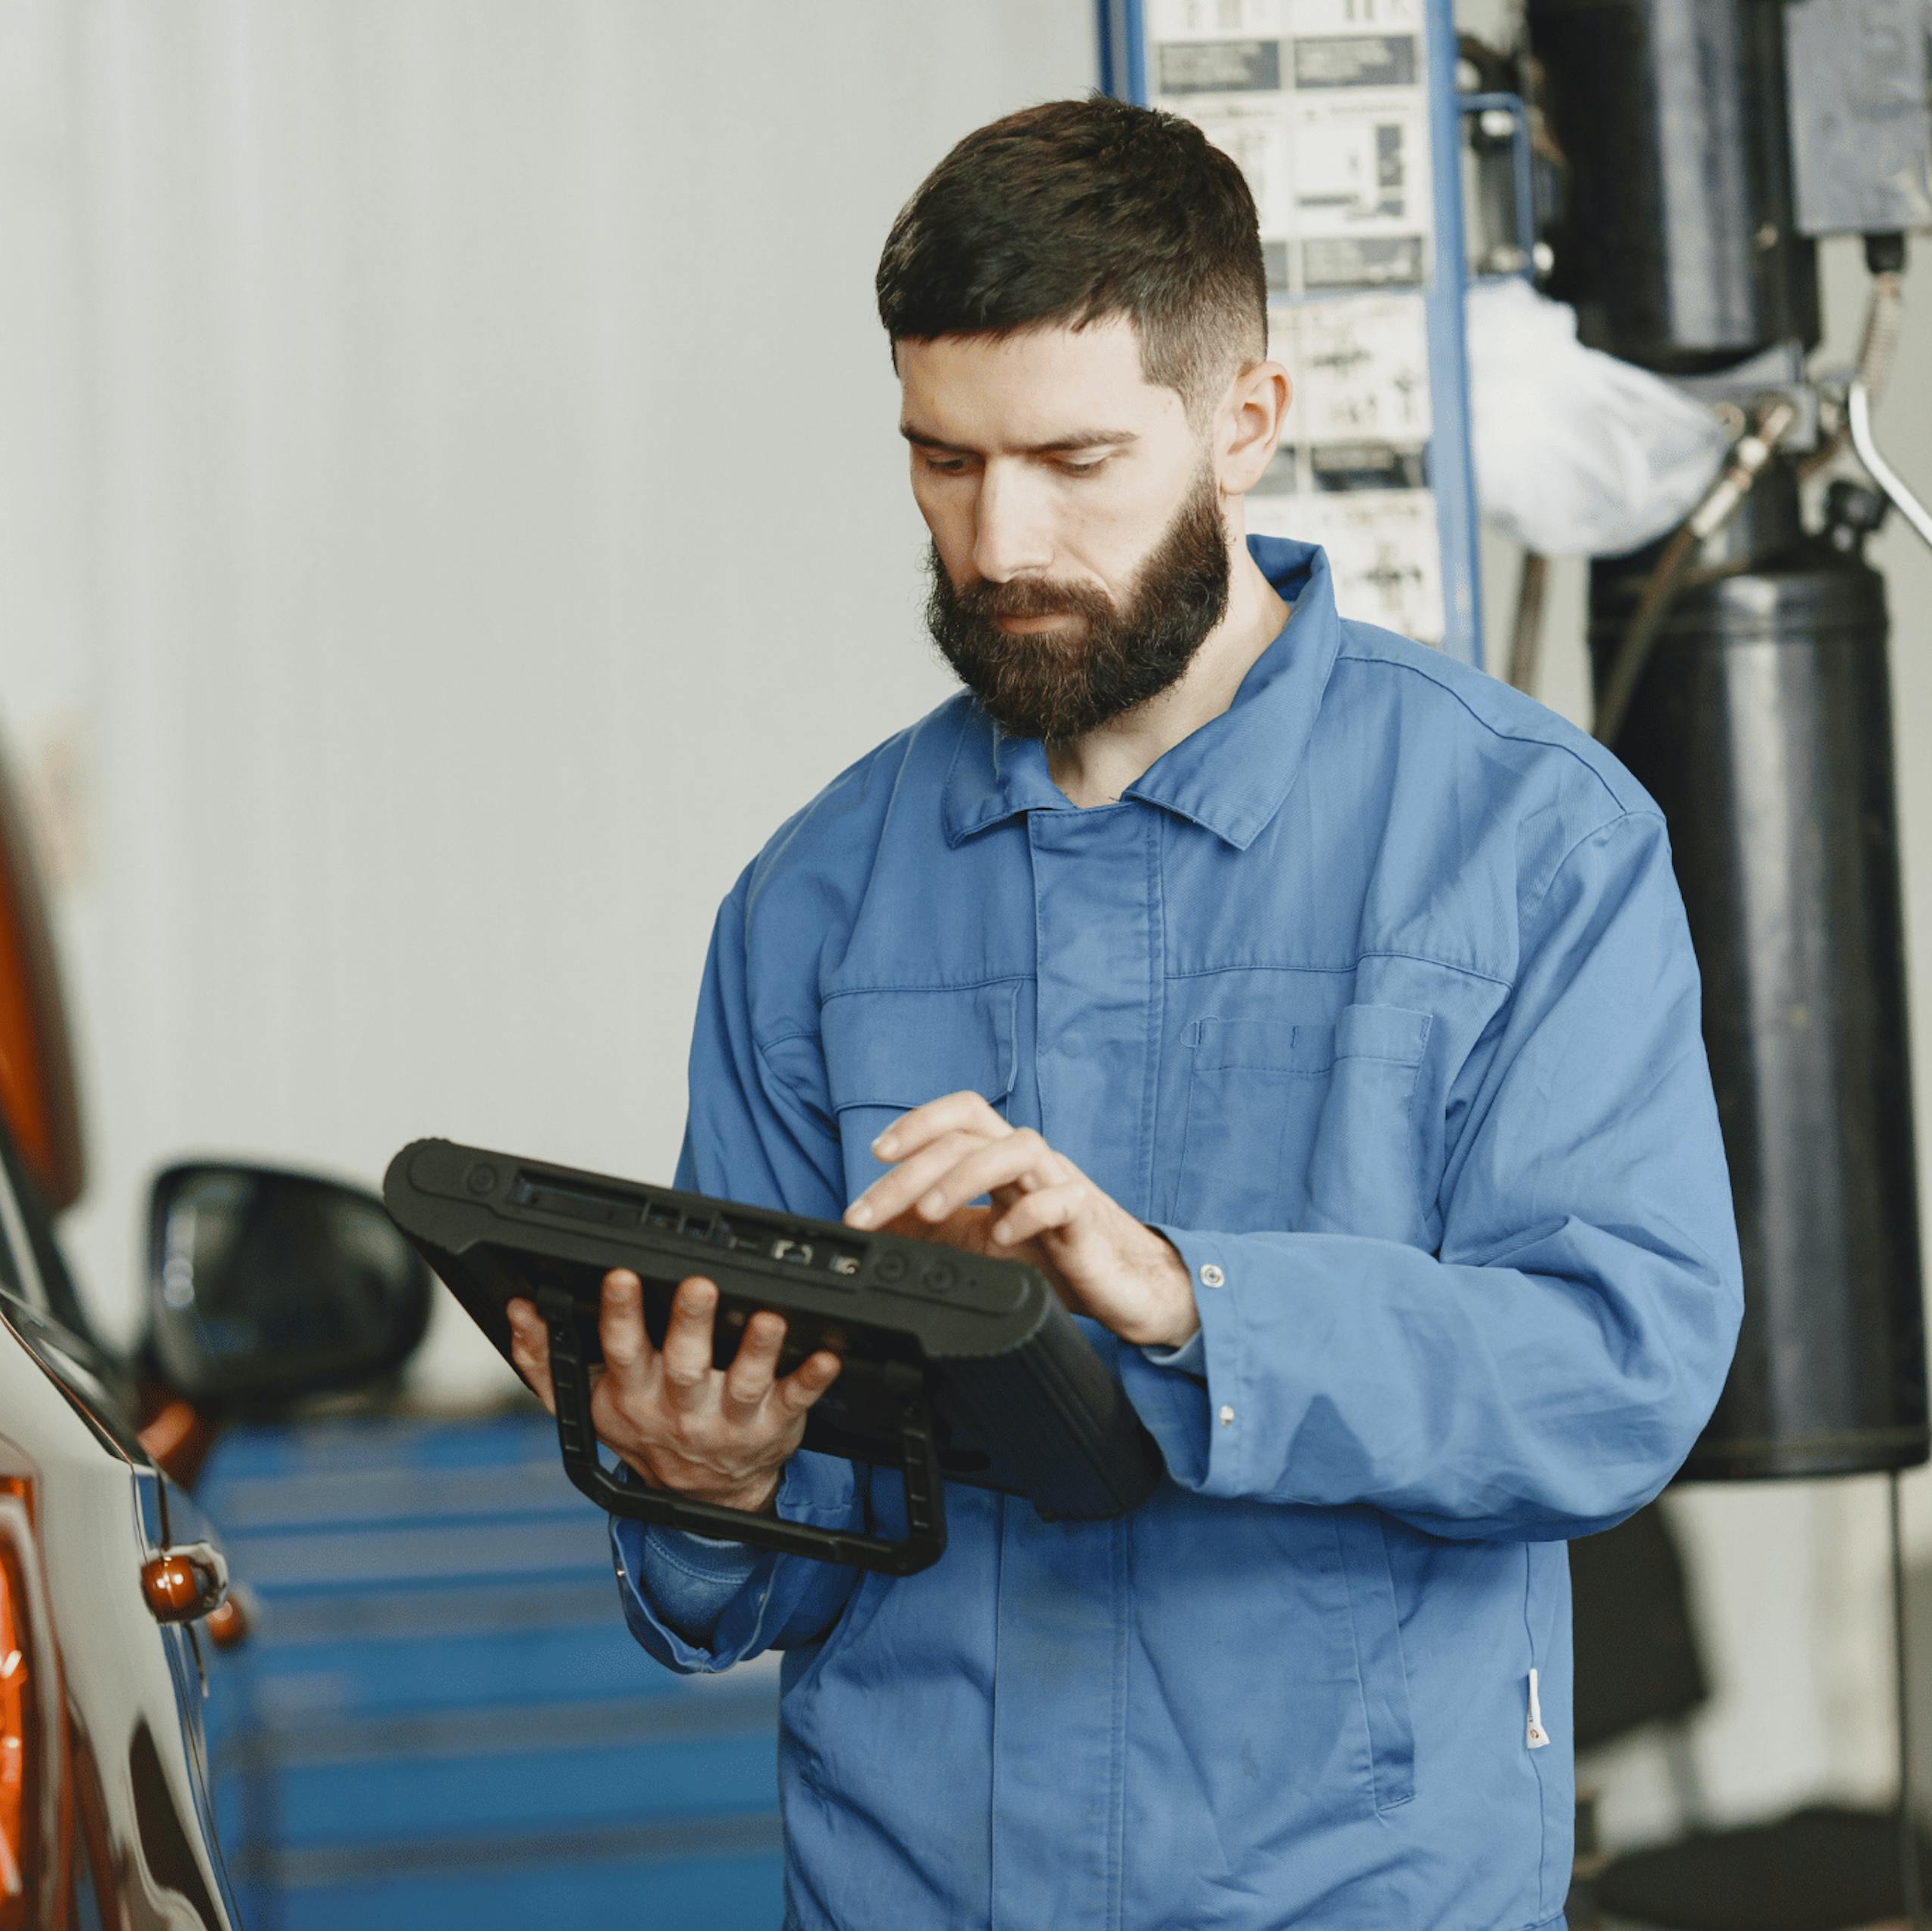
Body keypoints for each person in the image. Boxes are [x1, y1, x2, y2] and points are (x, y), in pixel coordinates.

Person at [499, 97, 1743, 1929]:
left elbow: (1618, 1369)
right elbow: (769, 1576)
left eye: (1073, 458)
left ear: (1245, 417)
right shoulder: (817, 900)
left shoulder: (1524, 842)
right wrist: (697, 1484)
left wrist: (1189, 1295)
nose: (999, 538)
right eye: (943, 459)